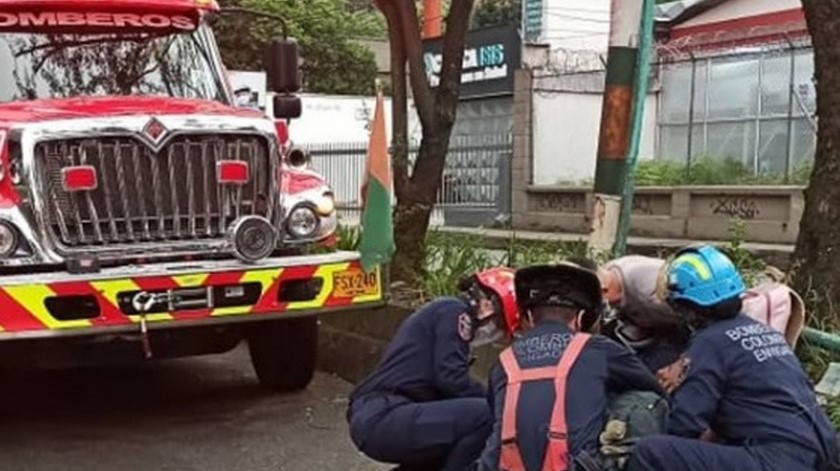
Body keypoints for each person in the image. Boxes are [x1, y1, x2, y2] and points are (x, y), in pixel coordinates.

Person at [626, 245, 839, 471]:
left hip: (775, 459)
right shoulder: (764, 332)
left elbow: (685, 423)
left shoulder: (709, 344)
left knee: (651, 452)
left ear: (685, 307)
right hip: (818, 449)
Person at [477, 262, 665, 471]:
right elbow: (654, 390)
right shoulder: (598, 349)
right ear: (580, 318)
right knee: (644, 400)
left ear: (529, 318)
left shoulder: (503, 362)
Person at [347, 267, 519, 471]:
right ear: (489, 306)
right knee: (487, 415)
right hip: (383, 415)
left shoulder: (445, 314)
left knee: (457, 437)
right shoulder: (454, 312)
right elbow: (452, 379)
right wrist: (500, 400)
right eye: (499, 326)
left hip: (380, 415)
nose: (496, 335)